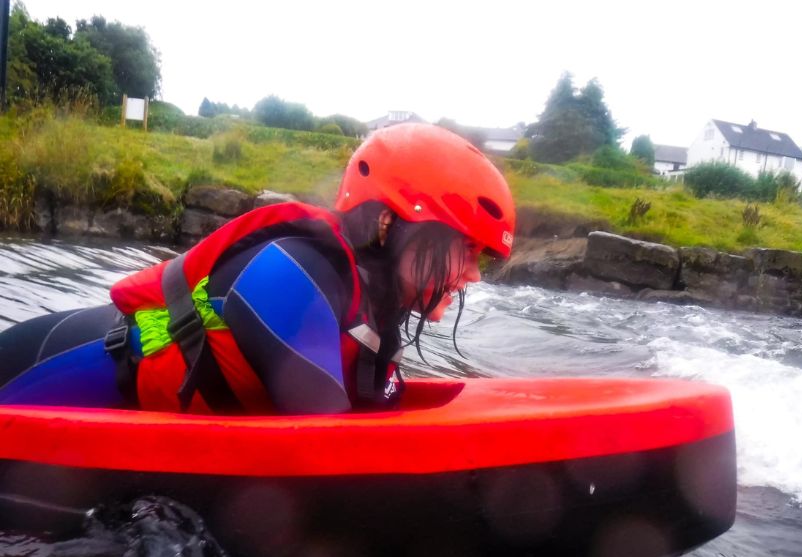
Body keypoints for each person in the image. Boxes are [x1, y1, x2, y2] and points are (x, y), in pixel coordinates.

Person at [0, 123, 516, 414]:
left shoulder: (374, 317)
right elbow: (332, 456)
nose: (473, 275)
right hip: (42, 375)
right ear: (390, 224)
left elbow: (382, 420)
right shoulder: (291, 276)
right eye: (466, 250)